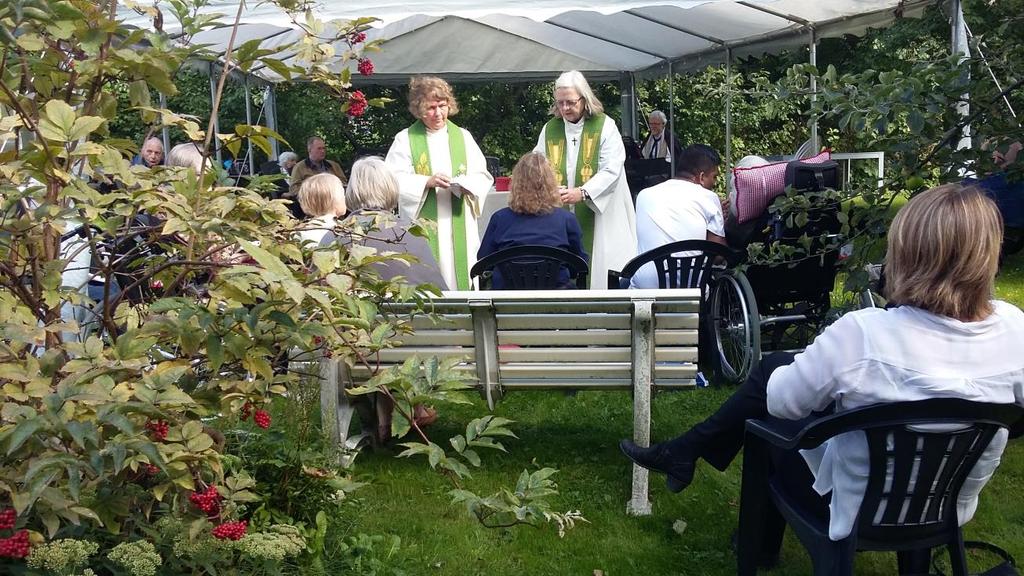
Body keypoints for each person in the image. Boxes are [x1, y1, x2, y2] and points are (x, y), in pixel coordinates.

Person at [620, 184, 1024, 551]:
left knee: (768, 414)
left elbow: (781, 403)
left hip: (860, 504)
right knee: (782, 376)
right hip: (947, 499)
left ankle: (749, 536)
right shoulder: (1014, 329)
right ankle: (687, 455)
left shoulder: (865, 335)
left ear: (906, 251)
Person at [384, 76, 493, 290]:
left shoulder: (463, 137)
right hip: (425, 226)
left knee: (461, 275)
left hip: (459, 221)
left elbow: (483, 175)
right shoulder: (405, 139)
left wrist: (466, 185)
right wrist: (426, 182)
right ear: (418, 108)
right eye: (431, 107)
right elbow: (391, 180)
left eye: (442, 106)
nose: (438, 113)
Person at [533, 70, 636, 289]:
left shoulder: (605, 125)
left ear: (585, 99)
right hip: (561, 210)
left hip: (598, 210)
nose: (564, 108)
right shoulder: (550, 128)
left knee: (599, 268)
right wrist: (550, 186)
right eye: (560, 103)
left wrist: (583, 192)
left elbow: (612, 168)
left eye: (570, 102)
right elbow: (537, 164)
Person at [478, 152, 588, 289]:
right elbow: (580, 264)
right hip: (558, 301)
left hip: (507, 303)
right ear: (551, 183)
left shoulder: (499, 219)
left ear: (515, 183)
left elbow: (483, 261)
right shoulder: (566, 220)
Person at [340, 156, 448, 290]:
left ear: (351, 190)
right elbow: (442, 297)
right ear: (391, 188)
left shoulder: (337, 235)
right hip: (416, 310)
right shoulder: (412, 235)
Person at [630, 144, 726, 289]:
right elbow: (718, 255)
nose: (715, 182)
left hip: (645, 289)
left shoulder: (644, 195)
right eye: (714, 176)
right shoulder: (709, 197)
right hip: (690, 290)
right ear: (701, 177)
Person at [289, 137, 347, 218]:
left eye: (324, 148)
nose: (322, 151)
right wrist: (313, 194)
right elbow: (294, 189)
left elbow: (344, 183)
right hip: (311, 208)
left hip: (333, 206)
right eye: (319, 149)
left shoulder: (333, 166)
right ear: (310, 150)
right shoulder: (299, 167)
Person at [295, 173, 346, 246]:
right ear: (335, 199)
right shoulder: (343, 230)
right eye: (343, 194)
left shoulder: (299, 231)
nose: (345, 198)